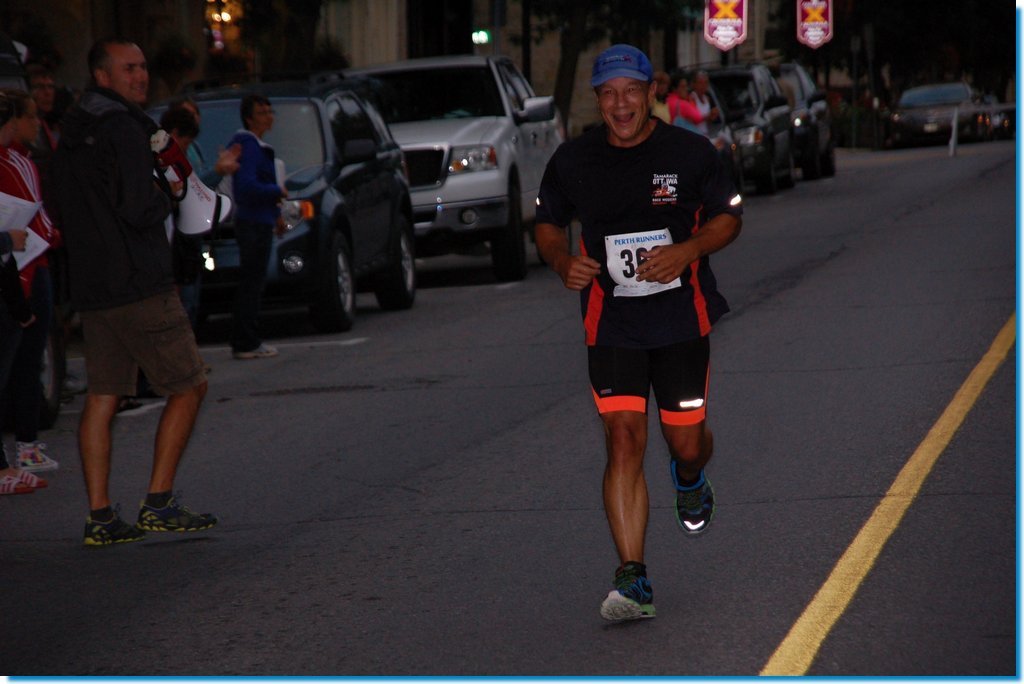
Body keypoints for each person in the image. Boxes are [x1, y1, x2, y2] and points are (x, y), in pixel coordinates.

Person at [533, 44, 743, 621]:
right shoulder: (574, 160)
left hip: (680, 321)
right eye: (609, 94)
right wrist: (560, 260)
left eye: (631, 91)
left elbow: (729, 217)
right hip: (613, 323)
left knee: (685, 443)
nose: (621, 104)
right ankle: (633, 579)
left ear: (651, 93)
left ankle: (690, 477)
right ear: (597, 100)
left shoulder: (690, 153)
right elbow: (547, 222)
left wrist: (688, 250)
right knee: (623, 440)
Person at [49, 37, 217, 546]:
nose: (140, 76)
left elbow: (59, 204)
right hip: (138, 281)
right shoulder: (123, 128)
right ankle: (158, 502)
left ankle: (100, 517)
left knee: (103, 395)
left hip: (93, 286)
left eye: (143, 67)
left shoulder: (71, 128)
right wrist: (172, 191)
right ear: (102, 75)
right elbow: (138, 206)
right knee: (190, 385)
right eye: (128, 68)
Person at [0, 88, 61, 473]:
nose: (37, 124)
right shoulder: (14, 162)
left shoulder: (20, 159)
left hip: (25, 263)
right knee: (18, 358)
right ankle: (21, 448)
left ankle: (25, 445)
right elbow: (30, 214)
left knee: (25, 358)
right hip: (21, 267)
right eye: (31, 116)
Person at [225, 93, 286, 360]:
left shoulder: (258, 146)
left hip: (260, 220)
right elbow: (246, 186)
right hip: (251, 222)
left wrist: (276, 214)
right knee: (251, 282)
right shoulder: (248, 145)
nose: (268, 117)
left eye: (270, 111)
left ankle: (246, 337)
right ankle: (246, 340)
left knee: (253, 281)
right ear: (249, 118)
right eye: (262, 112)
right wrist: (276, 191)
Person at [689, 70, 721, 137]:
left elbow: (707, 122)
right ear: (694, 84)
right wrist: (709, 116)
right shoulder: (692, 98)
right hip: (695, 135)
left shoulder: (707, 98)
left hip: (705, 134)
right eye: (700, 83)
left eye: (706, 83)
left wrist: (712, 117)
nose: (703, 86)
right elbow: (693, 120)